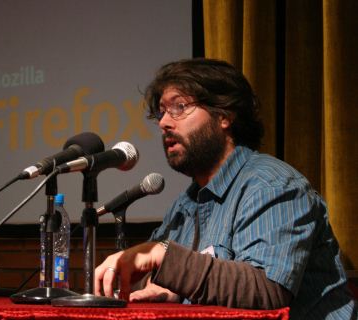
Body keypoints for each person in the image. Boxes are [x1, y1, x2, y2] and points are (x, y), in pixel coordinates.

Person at [94, 58, 357, 319]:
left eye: (180, 107)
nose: (164, 122)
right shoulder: (184, 206)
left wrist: (164, 257)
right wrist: (169, 292)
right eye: (162, 111)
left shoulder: (272, 185)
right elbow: (183, 281)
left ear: (224, 116)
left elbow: (267, 292)